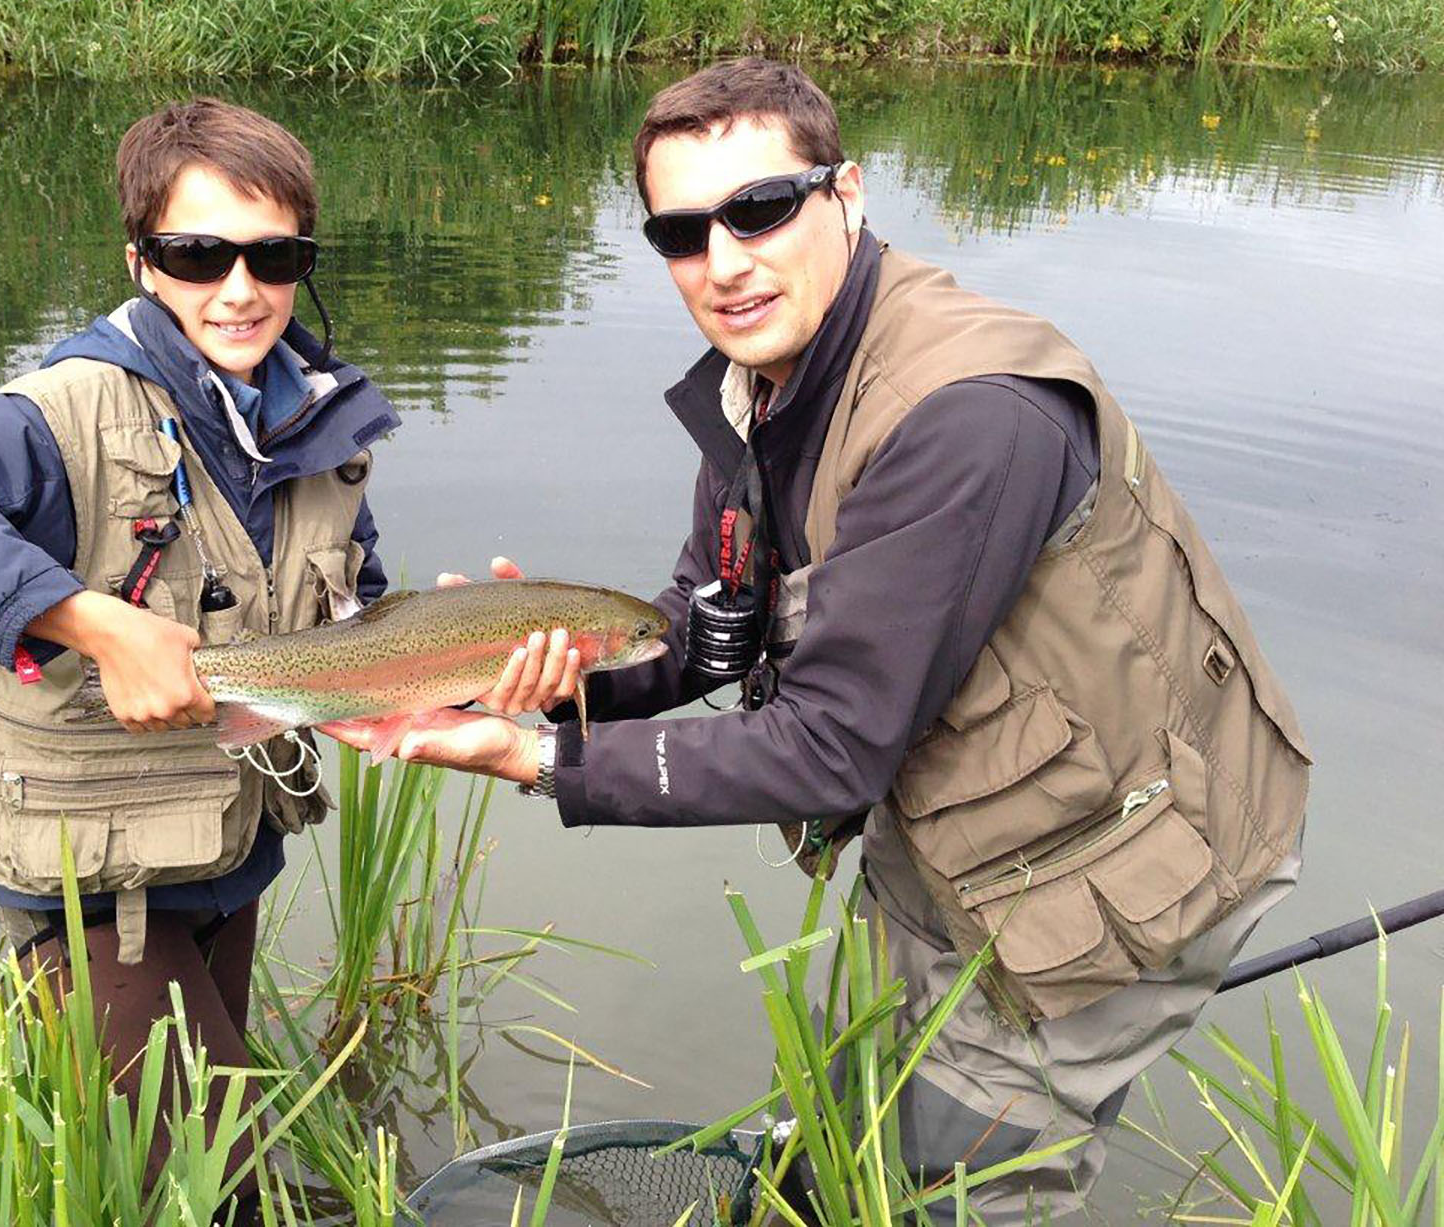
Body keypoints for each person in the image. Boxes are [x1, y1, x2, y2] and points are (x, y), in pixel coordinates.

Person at [323, 59, 1312, 1221]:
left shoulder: (969, 417)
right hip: (951, 820)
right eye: (683, 233)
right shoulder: (766, 380)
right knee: (858, 1122)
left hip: (1120, 861)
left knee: (953, 1179)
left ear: (845, 193)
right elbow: (709, 620)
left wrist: (540, 759)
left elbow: (833, 747)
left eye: (759, 209)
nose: (724, 262)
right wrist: (558, 675)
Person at [0, 97, 563, 1200]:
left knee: (195, 1150)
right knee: (222, 1174)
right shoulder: (54, 416)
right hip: (89, 886)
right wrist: (92, 619)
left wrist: (434, 656)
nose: (238, 288)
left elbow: (344, 594)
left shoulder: (322, 424)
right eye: (197, 252)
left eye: (274, 256)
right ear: (142, 260)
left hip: (227, 854)